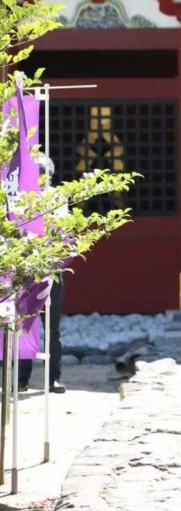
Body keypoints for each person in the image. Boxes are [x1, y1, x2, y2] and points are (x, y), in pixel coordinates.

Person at [18, 154, 65, 394]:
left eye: (43, 173)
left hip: (52, 269)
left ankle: (53, 378)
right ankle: (22, 377)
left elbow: (63, 232)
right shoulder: (22, 198)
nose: (40, 178)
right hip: (27, 271)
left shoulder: (57, 197)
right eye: (36, 173)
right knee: (26, 324)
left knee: (52, 327)